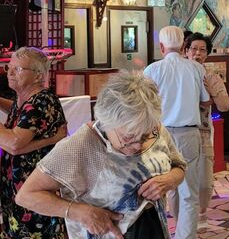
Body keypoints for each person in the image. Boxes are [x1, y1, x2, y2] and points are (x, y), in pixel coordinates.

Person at [15, 71, 186, 239]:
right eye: (129, 137)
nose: (138, 145)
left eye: (145, 135)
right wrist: (81, 212)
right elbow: (26, 196)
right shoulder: (83, 144)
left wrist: (169, 180)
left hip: (154, 227)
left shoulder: (151, 126)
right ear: (107, 121)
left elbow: (179, 166)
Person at [144, 26, 210, 239]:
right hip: (189, 134)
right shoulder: (196, 69)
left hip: (158, 136)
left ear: (161, 47)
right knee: (189, 193)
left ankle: (162, 233)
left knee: (157, 189)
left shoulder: (152, 70)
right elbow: (205, 100)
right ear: (183, 46)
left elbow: (143, 105)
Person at [0, 47, 68, 238]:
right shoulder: (25, 98)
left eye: (18, 69)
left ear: (38, 76)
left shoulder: (42, 100)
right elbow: (18, 111)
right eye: (9, 67)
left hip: (34, 193)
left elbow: (14, 144)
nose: (10, 72)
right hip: (18, 191)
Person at [183, 32, 229, 217]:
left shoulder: (211, 77)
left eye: (202, 50)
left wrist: (212, 91)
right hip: (176, 132)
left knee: (205, 181)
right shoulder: (178, 75)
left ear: (207, 54)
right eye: (194, 49)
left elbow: (225, 106)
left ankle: (200, 213)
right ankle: (183, 218)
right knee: (178, 180)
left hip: (202, 132)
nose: (197, 53)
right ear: (186, 51)